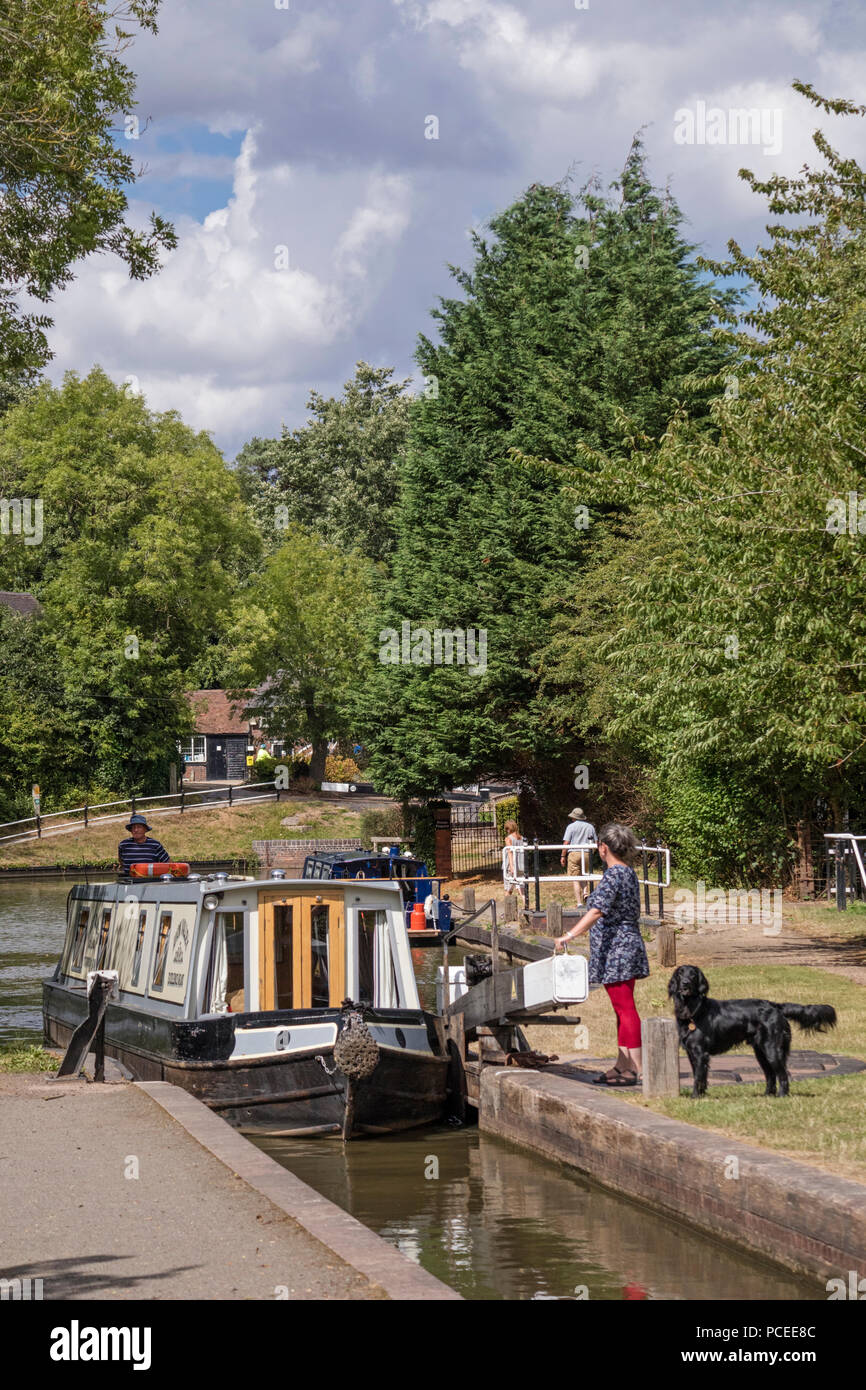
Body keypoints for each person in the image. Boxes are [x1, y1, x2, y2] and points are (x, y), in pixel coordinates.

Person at [554, 823, 649, 1086]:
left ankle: (638, 1069)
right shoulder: (628, 872)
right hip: (625, 946)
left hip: (617, 949)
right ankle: (622, 1065)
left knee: (626, 1008)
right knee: (621, 1009)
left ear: (603, 848)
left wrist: (569, 935)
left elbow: (596, 911)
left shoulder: (613, 875)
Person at [561, 806, 596, 905]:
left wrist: (563, 856)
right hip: (586, 853)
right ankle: (585, 893)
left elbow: (566, 842)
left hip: (574, 853)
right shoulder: (590, 827)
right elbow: (595, 841)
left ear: (574, 817)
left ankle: (579, 903)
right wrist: (591, 852)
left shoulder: (570, 827)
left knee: (575, 878)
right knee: (584, 875)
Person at [502, 819, 525, 899]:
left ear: (508, 829)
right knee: (521, 889)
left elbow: (510, 853)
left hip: (511, 866)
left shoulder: (508, 839)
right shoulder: (522, 838)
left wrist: (511, 866)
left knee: (508, 889)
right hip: (521, 866)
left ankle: (507, 908)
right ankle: (526, 905)